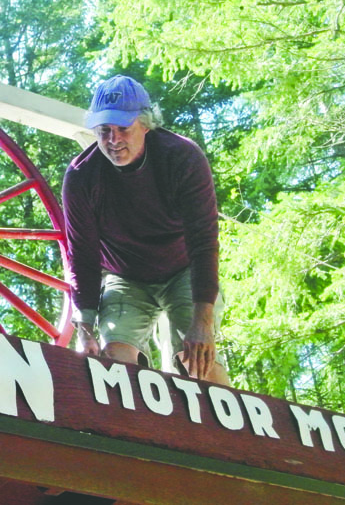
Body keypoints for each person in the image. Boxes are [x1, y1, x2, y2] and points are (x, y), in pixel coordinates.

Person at [62, 75, 229, 384]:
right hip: (126, 278)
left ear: (145, 124)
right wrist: (84, 329)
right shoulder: (81, 176)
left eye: (123, 129)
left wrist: (202, 321)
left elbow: (204, 241)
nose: (113, 140)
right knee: (113, 359)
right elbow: (81, 255)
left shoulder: (182, 158)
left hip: (184, 271)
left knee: (195, 361)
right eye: (103, 131)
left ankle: (224, 430)